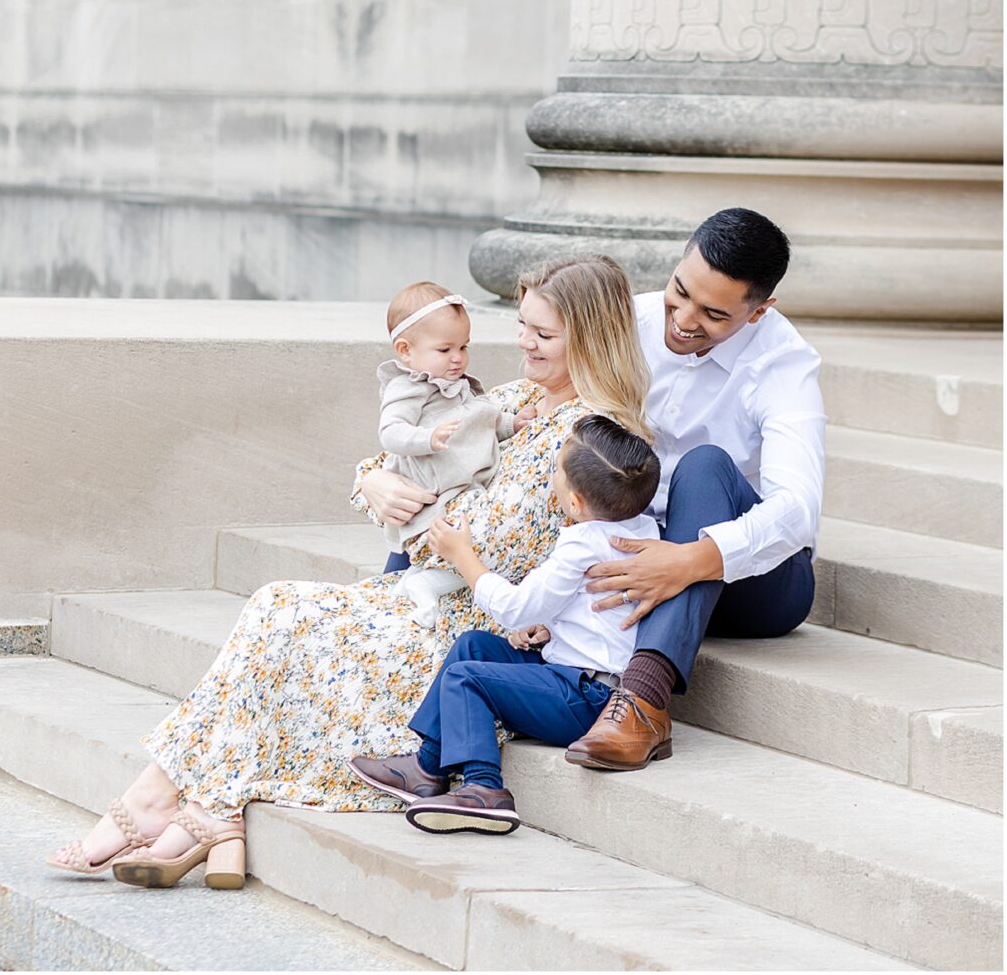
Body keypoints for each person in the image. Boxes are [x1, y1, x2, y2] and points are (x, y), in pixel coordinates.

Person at [44, 254, 651, 888]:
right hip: (428, 596)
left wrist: (434, 515)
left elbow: (497, 542)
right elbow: (395, 459)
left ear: (590, 336)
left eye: (542, 333)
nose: (522, 342)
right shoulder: (512, 399)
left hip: (482, 625)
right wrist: (378, 481)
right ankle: (192, 810)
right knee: (279, 607)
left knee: (285, 613)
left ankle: (180, 807)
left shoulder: (598, 441)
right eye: (522, 324)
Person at [566, 207, 825, 772]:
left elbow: (798, 510)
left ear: (760, 311)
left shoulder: (783, 364)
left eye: (713, 314)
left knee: (705, 466)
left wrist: (694, 558)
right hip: (639, 551)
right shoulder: (627, 323)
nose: (682, 319)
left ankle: (643, 701)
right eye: (678, 292)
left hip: (756, 584)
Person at [349, 414, 660, 835]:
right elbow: (586, 610)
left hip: (588, 699)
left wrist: (463, 557)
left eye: (556, 473)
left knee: (467, 677)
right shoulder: (643, 530)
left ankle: (483, 789)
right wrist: (552, 626)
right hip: (581, 677)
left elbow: (514, 608)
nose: (552, 477)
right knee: (473, 644)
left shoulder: (580, 545)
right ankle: (427, 766)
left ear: (576, 503)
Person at [377, 281, 529, 627]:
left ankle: (420, 582)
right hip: (437, 493)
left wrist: (512, 423)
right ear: (405, 350)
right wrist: (427, 438)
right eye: (445, 349)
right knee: (465, 550)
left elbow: (481, 421)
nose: (458, 357)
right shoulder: (410, 387)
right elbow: (390, 432)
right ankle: (421, 581)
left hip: (464, 488)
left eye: (464, 346)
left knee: (471, 549)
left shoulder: (457, 385)